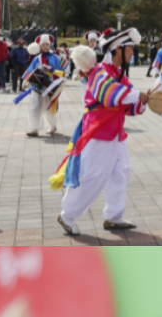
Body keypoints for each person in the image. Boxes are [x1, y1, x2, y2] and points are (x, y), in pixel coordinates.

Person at [52, 30, 148, 236]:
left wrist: (145, 100)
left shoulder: (119, 75)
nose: (132, 53)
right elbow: (108, 95)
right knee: (92, 175)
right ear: (117, 50)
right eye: (129, 49)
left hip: (115, 133)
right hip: (98, 132)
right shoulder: (99, 72)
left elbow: (129, 107)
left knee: (121, 173)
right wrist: (137, 95)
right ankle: (67, 215)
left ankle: (113, 216)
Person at [19, 36, 65, 138]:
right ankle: (34, 129)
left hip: (49, 86)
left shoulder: (56, 58)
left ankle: (53, 126)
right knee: (34, 107)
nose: (45, 47)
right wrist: (25, 81)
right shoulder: (37, 58)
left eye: (47, 45)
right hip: (36, 86)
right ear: (40, 46)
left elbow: (63, 70)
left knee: (48, 108)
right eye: (43, 45)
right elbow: (30, 70)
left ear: (50, 45)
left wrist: (52, 73)